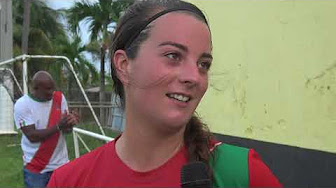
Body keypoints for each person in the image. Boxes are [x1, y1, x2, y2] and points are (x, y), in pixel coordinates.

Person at [47, 0, 282, 187]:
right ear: (124, 65)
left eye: (204, 64)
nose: (194, 76)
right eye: (173, 56)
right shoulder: (69, 181)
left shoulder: (241, 173)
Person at [14, 71, 78, 188]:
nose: (52, 92)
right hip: (36, 168)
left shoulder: (59, 98)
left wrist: (70, 123)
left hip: (61, 165)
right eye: (48, 89)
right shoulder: (22, 105)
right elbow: (32, 136)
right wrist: (59, 126)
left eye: (53, 88)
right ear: (36, 88)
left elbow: (66, 131)